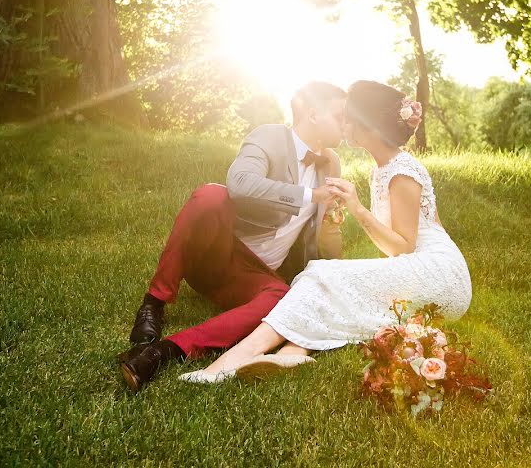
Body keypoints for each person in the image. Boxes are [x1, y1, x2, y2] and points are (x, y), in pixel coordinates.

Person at [178, 80, 472, 383]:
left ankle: (230, 362)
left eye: (347, 117)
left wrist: (358, 210)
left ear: (366, 123)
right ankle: (291, 353)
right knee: (327, 280)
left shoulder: (402, 171)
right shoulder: (383, 168)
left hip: (439, 274)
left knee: (321, 274)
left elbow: (404, 248)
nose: (342, 124)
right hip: (419, 269)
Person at [118, 82, 347, 391]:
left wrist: (333, 225)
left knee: (280, 296)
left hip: (255, 274)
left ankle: (167, 350)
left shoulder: (332, 163)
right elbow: (240, 183)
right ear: (313, 114)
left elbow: (324, 242)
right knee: (211, 196)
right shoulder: (269, 135)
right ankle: (154, 303)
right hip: (218, 253)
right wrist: (310, 194)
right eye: (340, 116)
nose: (346, 124)